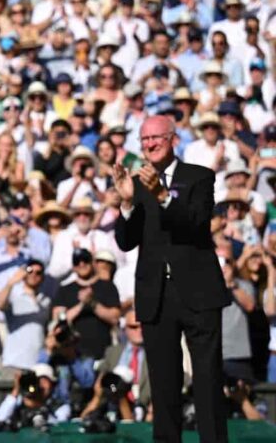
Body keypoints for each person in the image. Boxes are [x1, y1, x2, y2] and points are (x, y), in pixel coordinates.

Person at [114, 115, 229, 443]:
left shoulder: (199, 177)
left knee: (207, 382)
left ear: (173, 139)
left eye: (156, 138)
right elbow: (126, 241)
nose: (149, 145)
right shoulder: (135, 183)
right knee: (164, 386)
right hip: (156, 294)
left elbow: (195, 224)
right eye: (144, 140)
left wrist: (163, 197)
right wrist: (125, 203)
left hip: (198, 292)